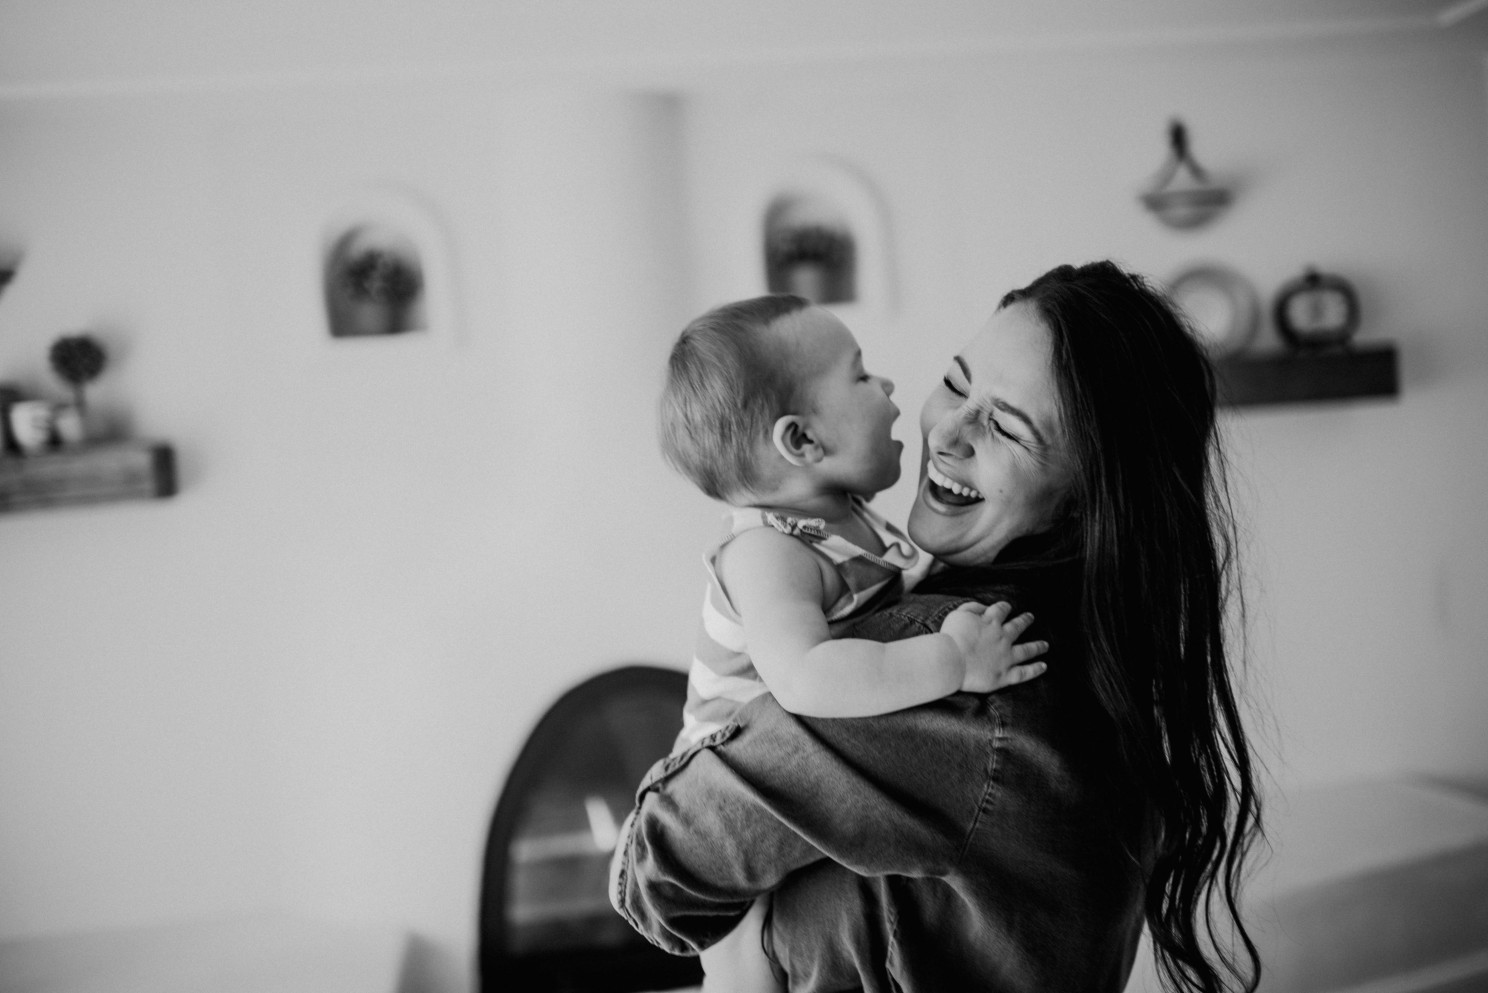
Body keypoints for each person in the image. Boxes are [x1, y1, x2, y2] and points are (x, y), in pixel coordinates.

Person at [612, 260, 1264, 993]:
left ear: (1086, 503)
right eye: (956, 383)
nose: (948, 430)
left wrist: (752, 942)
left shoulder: (957, 656)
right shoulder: (1096, 659)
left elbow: (655, 870)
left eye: (1007, 427)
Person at [640, 294, 1050, 992]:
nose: (889, 387)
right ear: (802, 442)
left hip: (789, 779)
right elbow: (806, 677)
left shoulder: (848, 519)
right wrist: (951, 659)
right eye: (860, 376)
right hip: (725, 777)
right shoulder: (769, 551)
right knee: (744, 964)